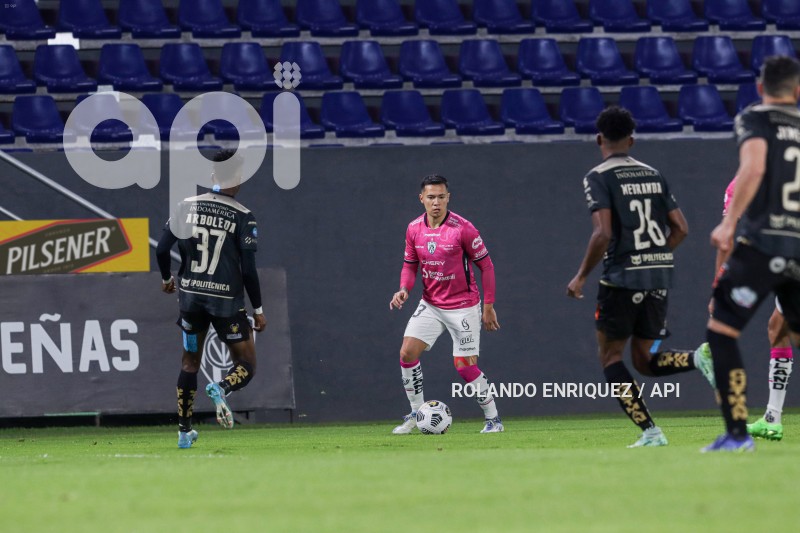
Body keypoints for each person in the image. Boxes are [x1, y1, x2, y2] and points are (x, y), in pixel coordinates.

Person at [567, 106, 716, 448]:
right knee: (644, 361)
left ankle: (651, 432)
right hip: (658, 277)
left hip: (622, 279)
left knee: (611, 357)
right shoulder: (654, 174)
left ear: (599, 139)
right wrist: (654, 256)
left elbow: (603, 233)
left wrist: (581, 276)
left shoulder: (598, 176)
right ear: (631, 140)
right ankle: (698, 357)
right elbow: (681, 228)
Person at [706, 56, 800, 452]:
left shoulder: (755, 118)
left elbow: (755, 168)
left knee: (722, 331)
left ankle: (737, 434)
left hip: (765, 242)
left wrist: (729, 224)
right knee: (785, 329)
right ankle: (772, 417)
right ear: (797, 91)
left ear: (761, 89)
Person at [156, 149, 266, 449]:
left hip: (191, 300)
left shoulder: (185, 206)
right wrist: (258, 309)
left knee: (189, 363)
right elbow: (248, 270)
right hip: (226, 302)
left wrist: (166, 279)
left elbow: (162, 249)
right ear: (239, 178)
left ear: (213, 175)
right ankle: (221, 386)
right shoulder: (243, 216)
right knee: (246, 364)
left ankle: (184, 432)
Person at [389, 174, 503, 434]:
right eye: (431, 197)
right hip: (431, 304)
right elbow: (410, 265)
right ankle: (416, 413)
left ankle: (493, 419)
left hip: (463, 305)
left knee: (465, 367)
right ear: (421, 198)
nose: (436, 202)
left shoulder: (463, 229)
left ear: (448, 198)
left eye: (441, 197)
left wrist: (488, 306)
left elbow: (486, 266)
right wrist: (404, 289)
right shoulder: (414, 228)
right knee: (407, 353)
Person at [710, 178, 793, 441]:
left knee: (724, 332)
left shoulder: (742, 182)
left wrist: (718, 287)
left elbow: (727, 237)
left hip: (781, 256)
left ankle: (757, 423)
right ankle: (772, 418)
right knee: (778, 327)